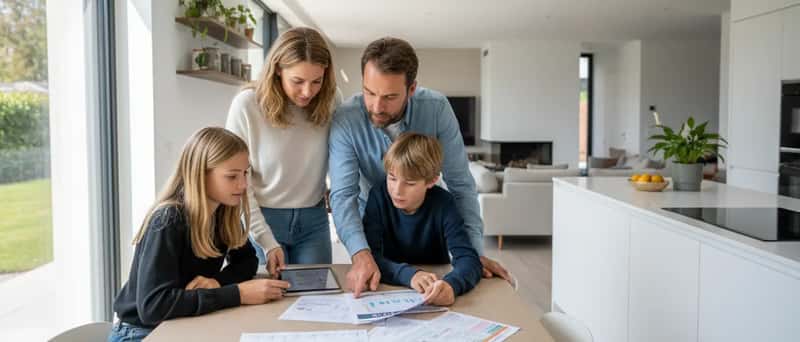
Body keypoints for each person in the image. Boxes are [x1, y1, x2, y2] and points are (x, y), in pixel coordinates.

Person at [329, 37, 510, 297]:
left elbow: (461, 184)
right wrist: (361, 254)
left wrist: (473, 253)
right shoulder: (346, 118)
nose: (377, 107)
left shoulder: (437, 109)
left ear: (411, 88)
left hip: (430, 243)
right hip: (375, 230)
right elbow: (343, 195)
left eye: (390, 96)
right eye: (369, 92)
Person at [108, 127, 291, 342]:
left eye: (245, 173)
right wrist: (237, 294)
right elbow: (153, 307)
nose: (243, 185)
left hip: (182, 325)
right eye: (232, 176)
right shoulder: (168, 220)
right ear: (200, 175)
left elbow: (247, 261)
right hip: (141, 333)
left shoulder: (222, 213)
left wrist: (216, 282)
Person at [226, 27, 337, 276]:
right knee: (267, 296)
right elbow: (238, 182)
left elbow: (339, 157)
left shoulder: (331, 100)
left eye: (317, 81)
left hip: (314, 220)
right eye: (298, 81)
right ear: (277, 69)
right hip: (261, 217)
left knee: (317, 295)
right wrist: (266, 241)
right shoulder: (247, 105)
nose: (308, 92)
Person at [364, 133, 482, 306]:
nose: (397, 190)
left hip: (435, 283)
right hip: (389, 286)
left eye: (410, 183)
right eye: (392, 178)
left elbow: (468, 259)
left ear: (431, 181)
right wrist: (410, 275)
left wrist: (452, 285)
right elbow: (370, 259)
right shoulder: (378, 196)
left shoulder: (444, 203)